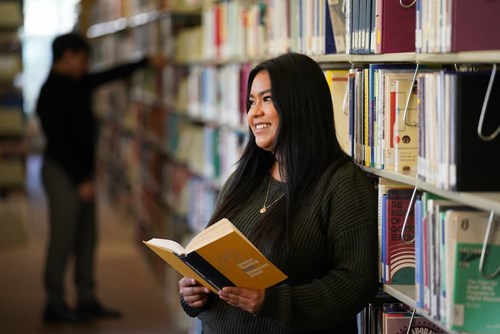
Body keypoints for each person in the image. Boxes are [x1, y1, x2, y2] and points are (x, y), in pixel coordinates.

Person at [178, 53, 379, 333]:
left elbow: (356, 282)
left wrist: (275, 302)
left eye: (267, 99)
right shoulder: (245, 177)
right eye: (251, 102)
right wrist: (192, 292)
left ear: (300, 105)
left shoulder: (342, 183)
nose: (254, 113)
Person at [36, 32, 162, 324]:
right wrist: (81, 179)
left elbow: (108, 74)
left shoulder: (79, 82)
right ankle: (53, 303)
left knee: (87, 237)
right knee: (63, 238)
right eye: (83, 58)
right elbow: (58, 143)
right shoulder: (50, 93)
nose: (86, 65)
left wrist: (145, 61)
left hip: (83, 174)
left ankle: (85, 298)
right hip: (62, 172)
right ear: (67, 56)